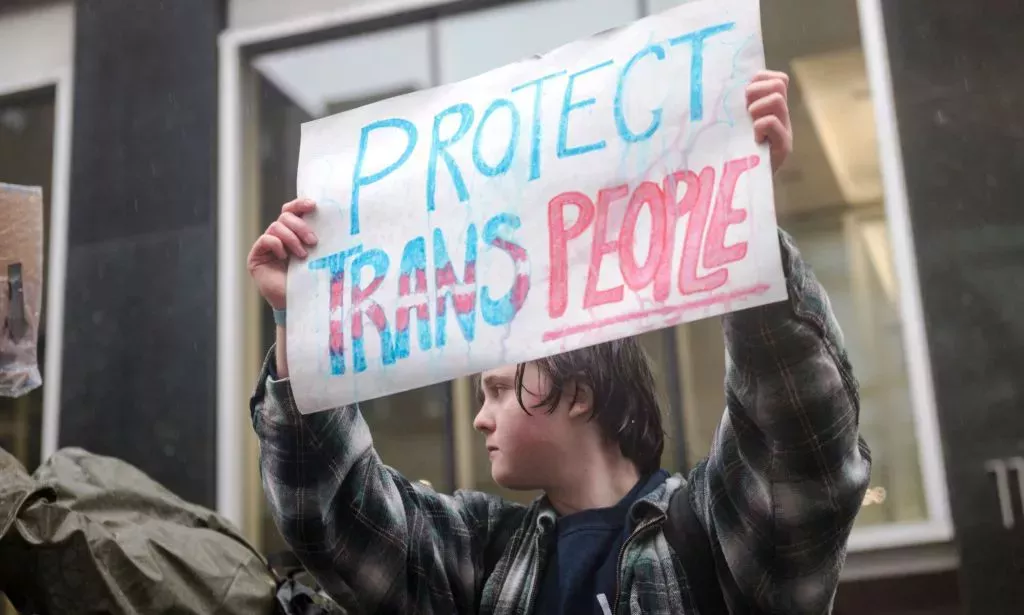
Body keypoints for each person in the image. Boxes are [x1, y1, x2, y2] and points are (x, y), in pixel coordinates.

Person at [246, 70, 871, 615]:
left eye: (497, 388)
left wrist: (747, 212)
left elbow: (798, 431)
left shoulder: (712, 533)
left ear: (578, 393)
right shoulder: (479, 554)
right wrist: (300, 320)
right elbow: (330, 514)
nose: (479, 418)